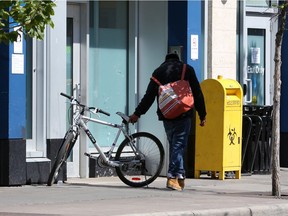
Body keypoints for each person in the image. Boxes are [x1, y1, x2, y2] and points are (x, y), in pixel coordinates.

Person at [129, 53, 206, 191]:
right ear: (178, 59)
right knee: (178, 145)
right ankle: (171, 177)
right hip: (184, 113)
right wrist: (202, 114)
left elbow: (149, 96)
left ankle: (180, 176)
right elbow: (197, 92)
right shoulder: (187, 69)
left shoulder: (158, 72)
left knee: (176, 145)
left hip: (167, 114)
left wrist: (137, 114)